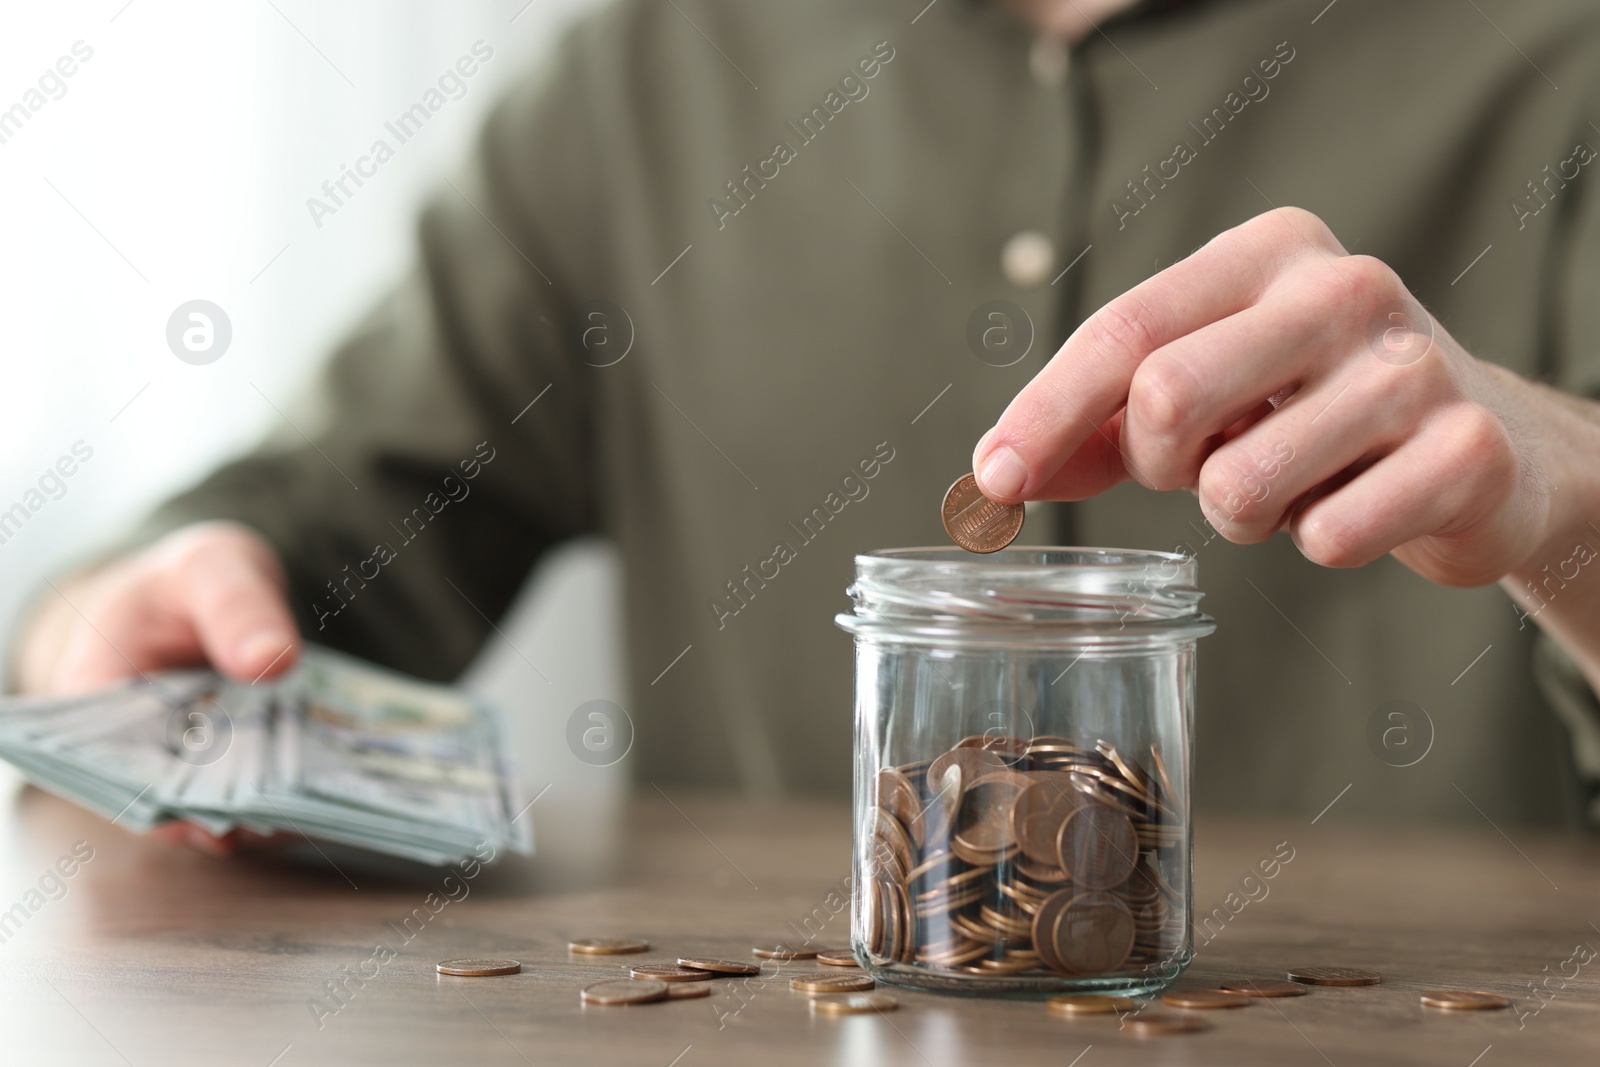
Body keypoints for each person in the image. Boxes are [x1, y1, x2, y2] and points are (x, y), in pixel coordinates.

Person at [13, 0, 1600, 833]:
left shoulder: (1564, 61)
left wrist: (1574, 500)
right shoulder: (638, 72)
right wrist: (140, 601)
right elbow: (336, 527)